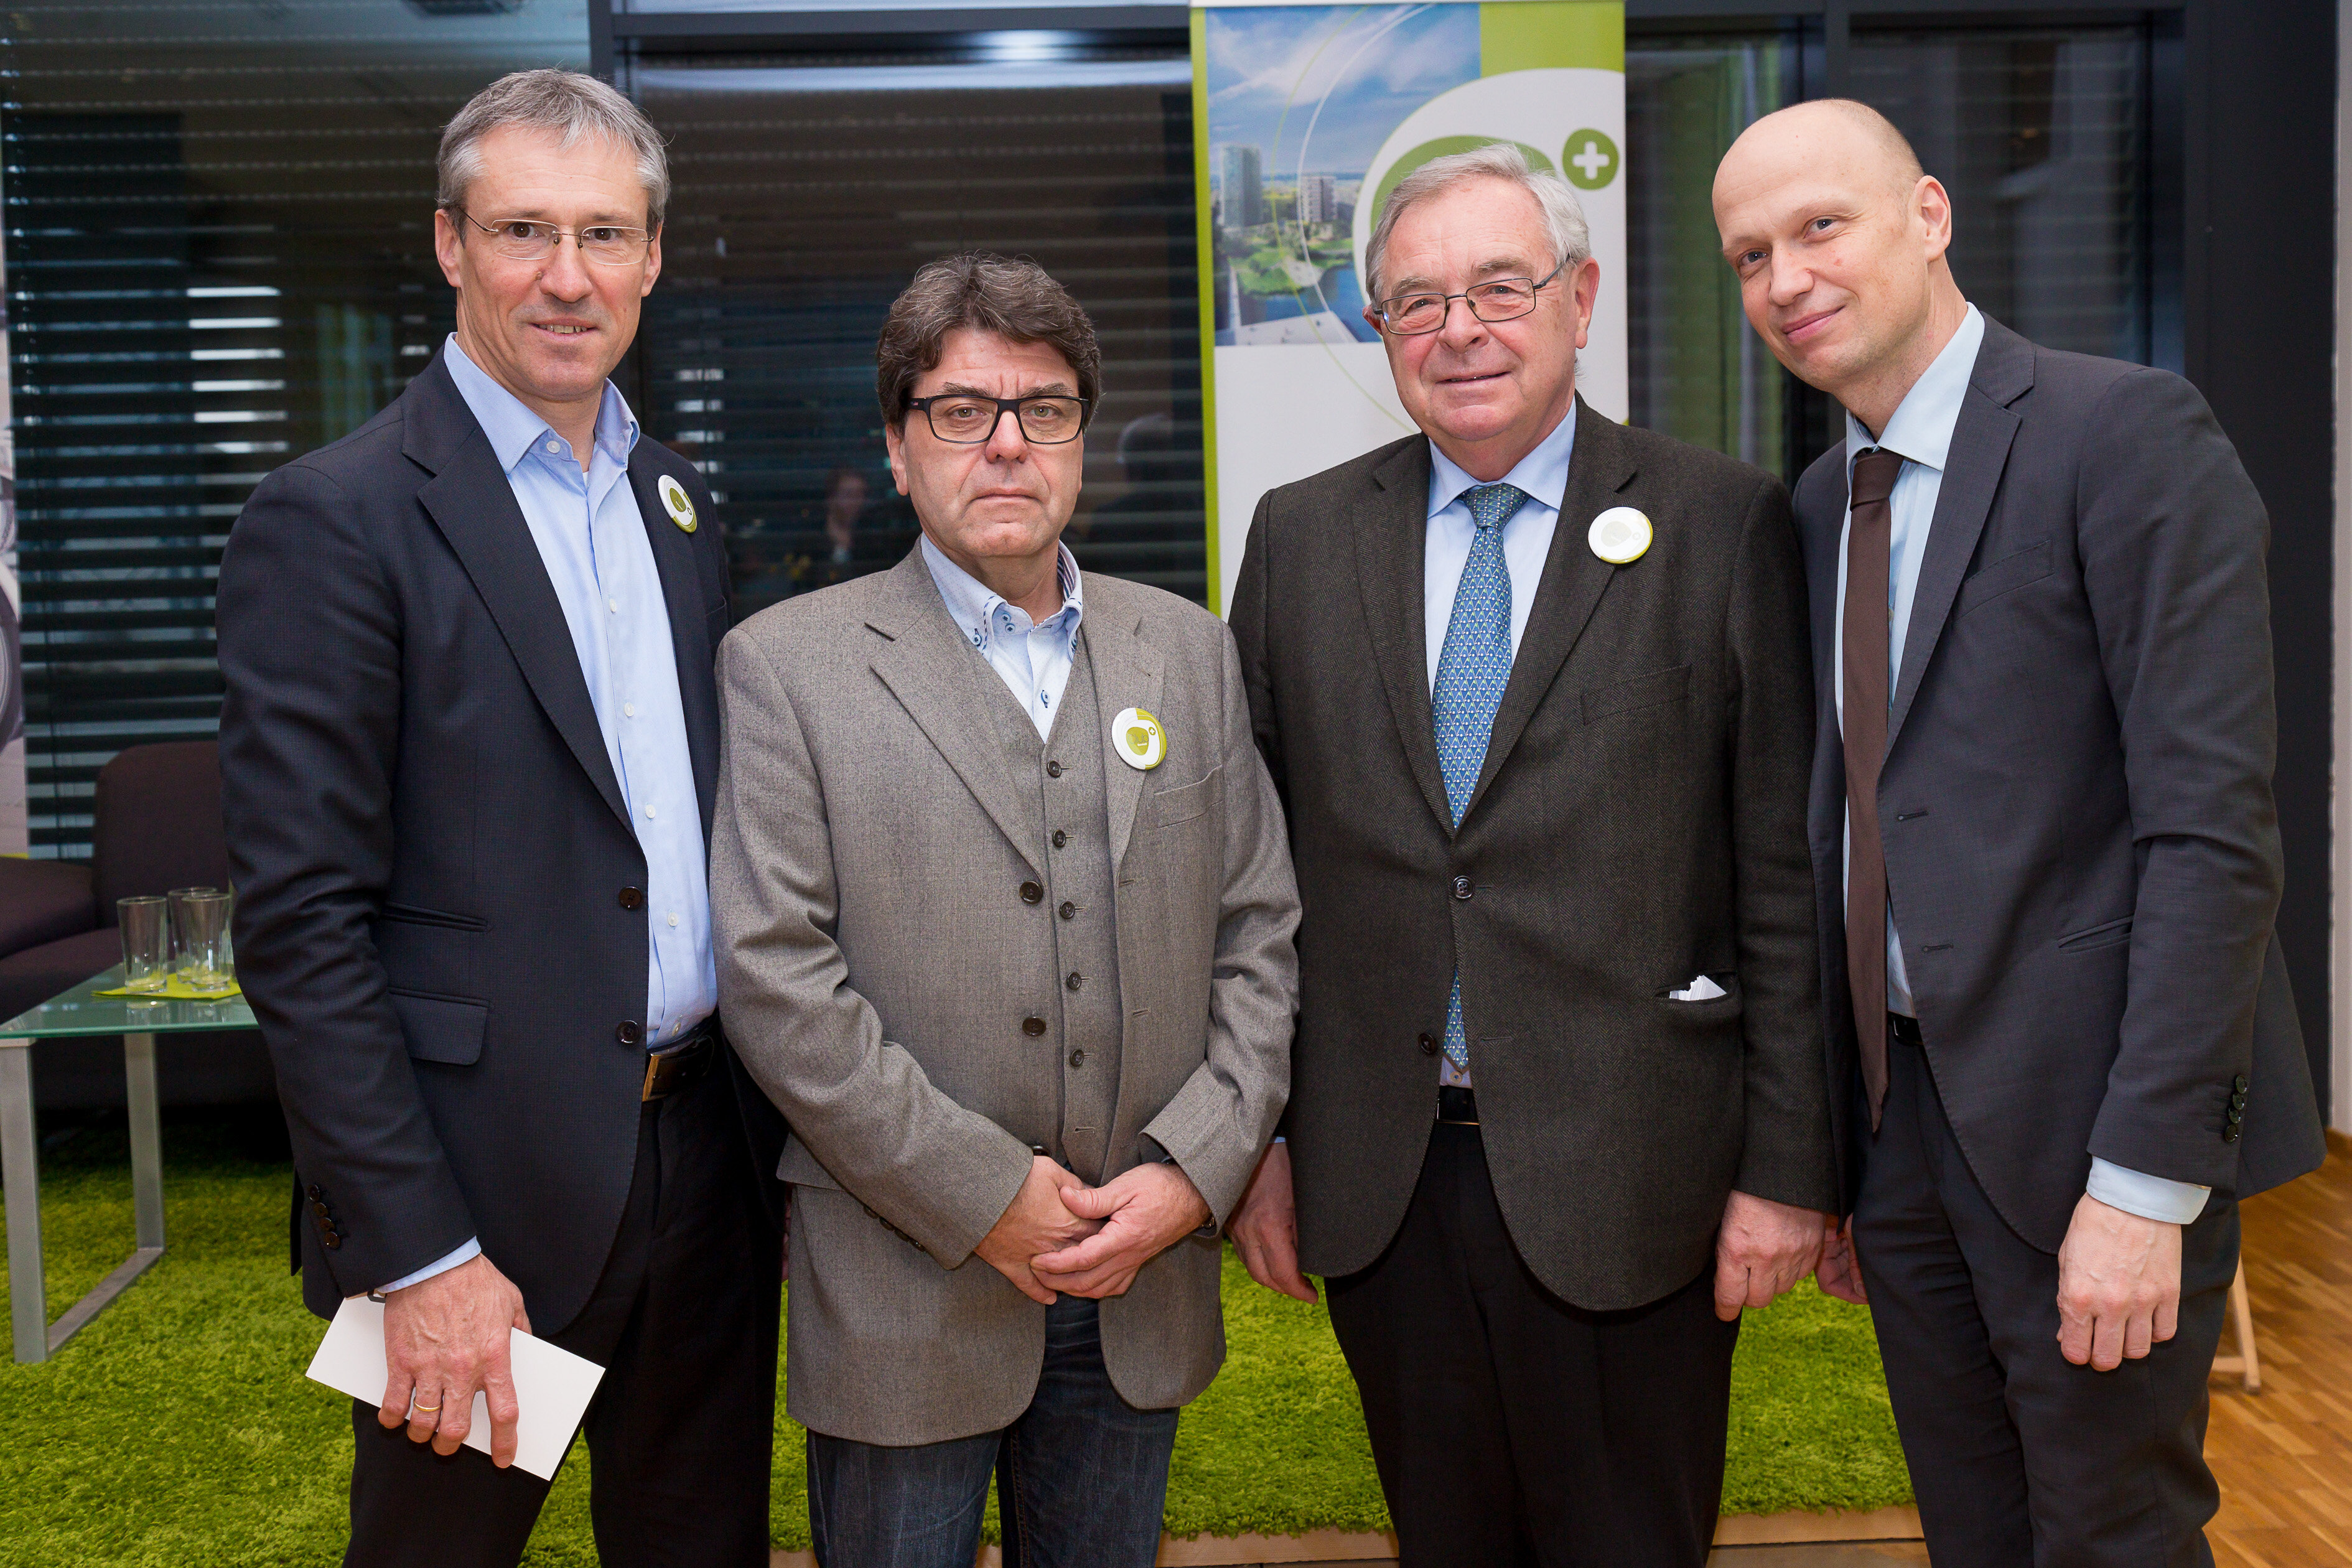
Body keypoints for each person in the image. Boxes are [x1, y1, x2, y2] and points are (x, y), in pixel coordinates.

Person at [1711, 100, 2327, 1566]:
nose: (1786, 279)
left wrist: (2144, 1186)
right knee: (1972, 1531)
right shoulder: (1824, 503)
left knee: (2112, 1537)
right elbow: (1851, 824)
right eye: (1749, 256)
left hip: (2089, 1134)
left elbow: (2212, 837)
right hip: (1906, 1132)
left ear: (1929, 214)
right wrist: (1852, 1154)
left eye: (1820, 227)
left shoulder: (2126, 435)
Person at [1225, 142, 1834, 1567]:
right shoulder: (1302, 536)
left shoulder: (1720, 521)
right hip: (1384, 1175)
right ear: (1380, 328)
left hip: (1637, 1171)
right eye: (1418, 301)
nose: (1462, 330)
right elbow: (1249, 881)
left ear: (1580, 297)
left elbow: (1783, 878)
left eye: (1501, 287)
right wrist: (1259, 1143)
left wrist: (1789, 1171)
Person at [217, 69, 782, 1567]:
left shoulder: (677, 504)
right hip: (483, 1206)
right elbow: (301, 926)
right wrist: (420, 1254)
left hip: (706, 1173)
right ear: (450, 244)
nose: (566, 276)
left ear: (652, 258)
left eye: (605, 234)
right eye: (524, 230)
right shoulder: (336, 520)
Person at [709, 252, 1299, 1568]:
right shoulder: (787, 669)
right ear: (898, 446)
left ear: (1081, 437)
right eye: (962, 411)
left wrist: (1193, 1174)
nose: (1008, 445)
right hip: (907, 1278)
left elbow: (1259, 931)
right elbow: (775, 975)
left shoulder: (1187, 651)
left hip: (1140, 1270)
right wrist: (983, 1196)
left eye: (1045, 409)